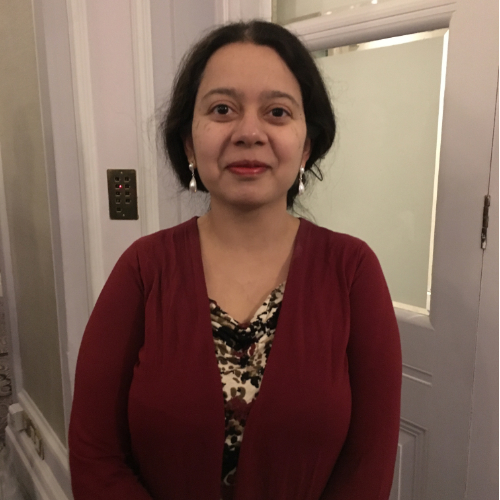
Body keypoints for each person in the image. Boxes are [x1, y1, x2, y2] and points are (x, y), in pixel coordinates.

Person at [68, 20, 402, 500]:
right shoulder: (143, 270)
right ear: (189, 142)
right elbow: (94, 452)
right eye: (222, 109)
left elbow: (368, 466)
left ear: (306, 145)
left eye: (277, 112)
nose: (249, 132)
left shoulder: (353, 272)